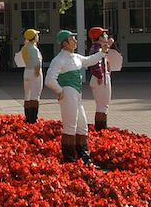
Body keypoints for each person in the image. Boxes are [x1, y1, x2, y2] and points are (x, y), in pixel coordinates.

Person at [44, 29, 109, 166]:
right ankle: (70, 161)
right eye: (72, 39)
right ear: (65, 43)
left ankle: (84, 160)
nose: (75, 41)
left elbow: (90, 60)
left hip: (77, 95)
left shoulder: (76, 57)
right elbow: (49, 80)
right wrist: (60, 90)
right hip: (68, 94)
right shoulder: (59, 60)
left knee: (82, 126)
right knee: (70, 126)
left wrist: (102, 52)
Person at [86, 27, 113, 131]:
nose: (106, 36)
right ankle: (101, 129)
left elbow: (104, 53)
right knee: (103, 106)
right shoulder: (97, 49)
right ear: (99, 37)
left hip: (99, 77)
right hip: (101, 78)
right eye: (104, 35)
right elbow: (96, 62)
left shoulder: (97, 48)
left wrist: (109, 45)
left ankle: (100, 128)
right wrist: (100, 76)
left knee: (101, 105)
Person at [20, 29, 44, 123]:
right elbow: (37, 62)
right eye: (36, 36)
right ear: (33, 37)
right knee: (35, 95)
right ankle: (33, 118)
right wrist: (37, 71)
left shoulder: (25, 48)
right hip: (34, 72)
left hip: (27, 71)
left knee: (27, 95)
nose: (38, 37)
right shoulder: (33, 49)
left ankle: (27, 117)